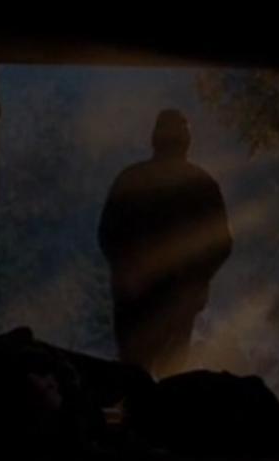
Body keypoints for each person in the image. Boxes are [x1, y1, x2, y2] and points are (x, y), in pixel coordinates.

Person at [98, 110, 232, 379]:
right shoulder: (202, 185)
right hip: (179, 299)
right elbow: (221, 244)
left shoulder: (130, 180)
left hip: (134, 298)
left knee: (133, 375)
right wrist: (196, 279)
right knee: (172, 375)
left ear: (154, 139)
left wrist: (127, 272)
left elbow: (107, 235)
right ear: (187, 142)